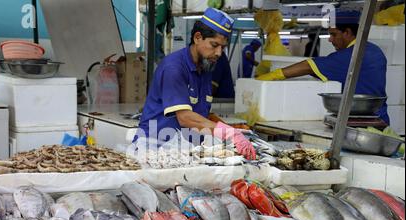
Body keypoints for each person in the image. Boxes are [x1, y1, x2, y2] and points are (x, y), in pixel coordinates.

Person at [134, 8, 255, 160]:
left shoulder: (205, 68)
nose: (218, 53)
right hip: (153, 152)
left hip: (182, 153)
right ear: (197, 37)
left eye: (222, 47)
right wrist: (228, 133)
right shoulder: (174, 68)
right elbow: (185, 117)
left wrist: (230, 129)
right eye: (214, 45)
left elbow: (202, 114)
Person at [256, 10, 390, 124]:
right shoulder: (373, 49)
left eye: (333, 34)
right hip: (379, 118)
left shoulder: (353, 54)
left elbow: (309, 66)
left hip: (364, 123)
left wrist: (273, 75)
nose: (330, 39)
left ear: (348, 32)